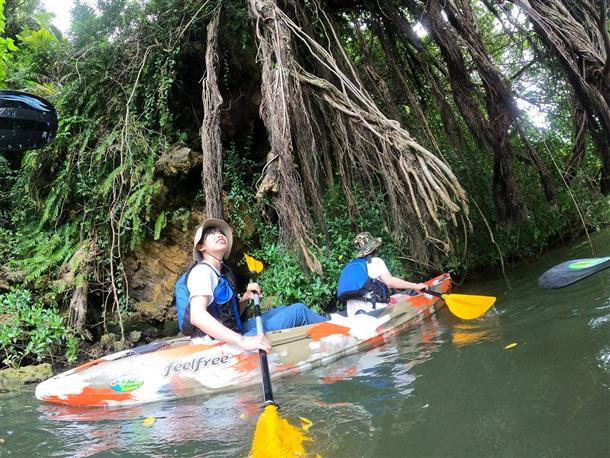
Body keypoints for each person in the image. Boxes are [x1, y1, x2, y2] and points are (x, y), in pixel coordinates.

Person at [181, 218, 328, 353]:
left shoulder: (221, 273)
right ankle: (339, 331)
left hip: (231, 334)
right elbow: (197, 316)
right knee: (299, 311)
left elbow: (229, 315)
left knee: (282, 310)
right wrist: (244, 341)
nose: (219, 235)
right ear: (201, 247)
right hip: (217, 345)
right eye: (211, 234)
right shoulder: (202, 272)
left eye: (220, 232)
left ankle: (324, 328)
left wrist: (245, 298)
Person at [338, 232, 429, 317]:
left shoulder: (350, 266)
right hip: (373, 312)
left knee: (396, 297)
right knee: (404, 298)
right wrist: (416, 286)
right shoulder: (376, 261)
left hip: (353, 314)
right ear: (374, 248)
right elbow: (390, 282)